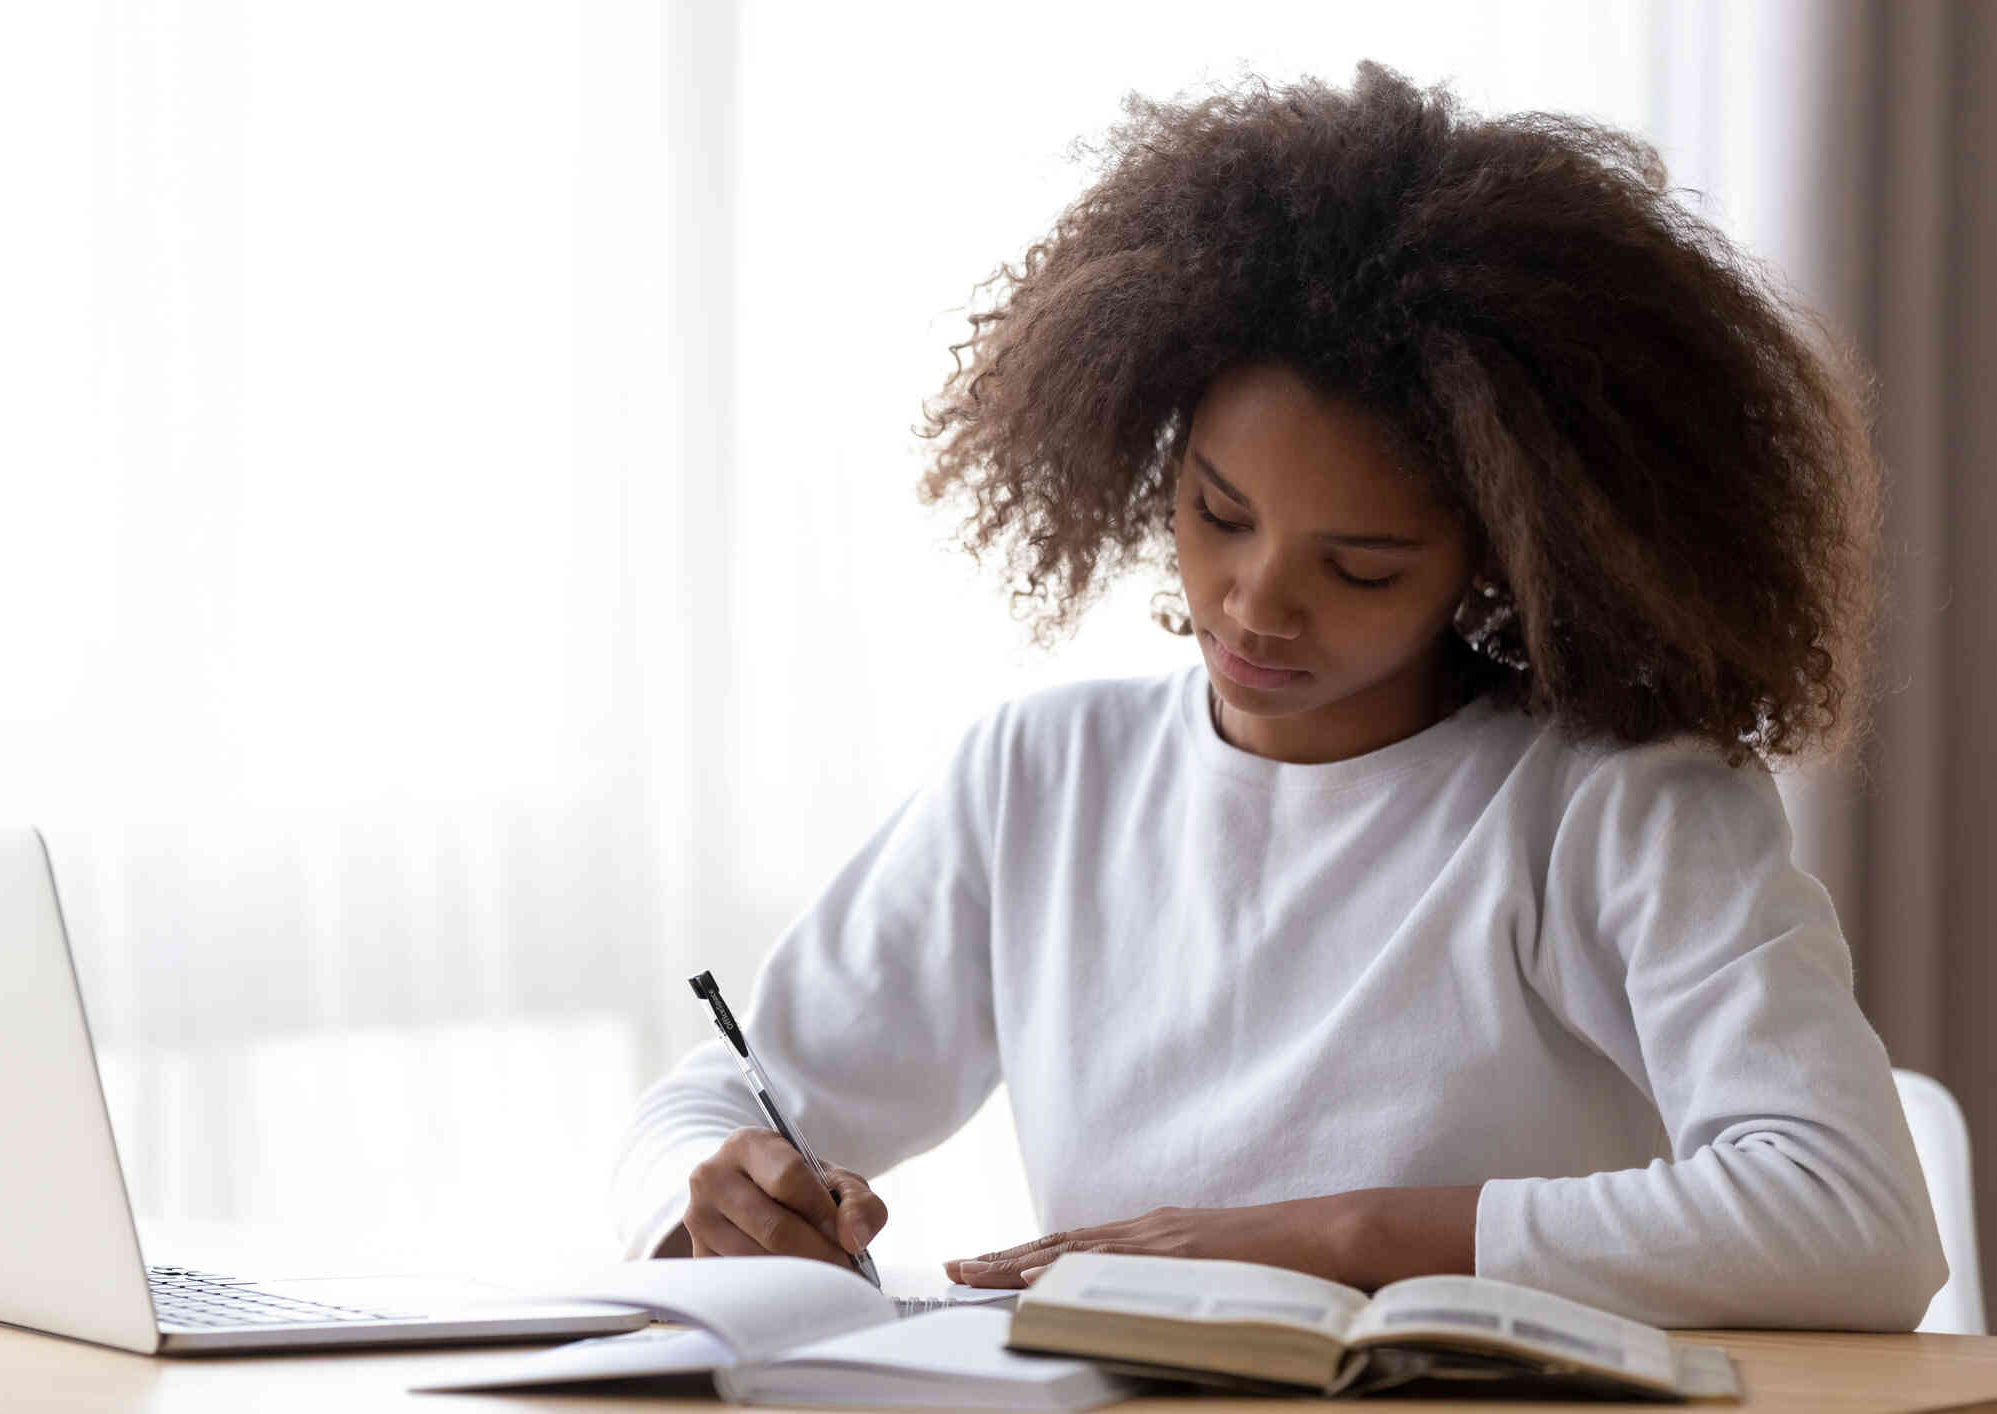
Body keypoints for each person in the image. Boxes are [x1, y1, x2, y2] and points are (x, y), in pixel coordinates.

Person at [609, 61, 1947, 1330]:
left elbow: (1852, 1216)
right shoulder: (1042, 776)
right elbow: (725, 1097)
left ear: (1503, 550)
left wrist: (1332, 1239)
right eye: (1216, 513)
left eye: (1360, 565)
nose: (1254, 602)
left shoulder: (1610, 795)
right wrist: (717, 1191)